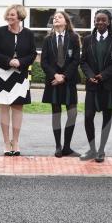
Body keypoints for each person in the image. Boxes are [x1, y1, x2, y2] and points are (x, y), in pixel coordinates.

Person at [0, 4, 36, 156]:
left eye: (13, 15)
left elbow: (33, 54)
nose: (9, 17)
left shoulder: (28, 33)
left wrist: (20, 62)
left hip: (20, 76)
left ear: (20, 17)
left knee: (17, 108)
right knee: (3, 108)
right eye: (8, 14)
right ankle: (5, 142)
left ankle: (15, 141)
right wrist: (9, 61)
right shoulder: (0, 31)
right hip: (2, 74)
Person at [80, 9, 112, 162]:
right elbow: (83, 61)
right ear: (94, 21)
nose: (100, 22)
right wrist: (90, 75)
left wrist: (103, 75)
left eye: (103, 20)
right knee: (88, 117)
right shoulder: (87, 40)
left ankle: (101, 150)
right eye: (97, 19)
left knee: (107, 118)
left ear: (109, 22)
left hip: (108, 86)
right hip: (92, 86)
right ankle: (92, 149)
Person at [40, 11, 81, 158]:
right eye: (55, 17)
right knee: (56, 114)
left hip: (68, 81)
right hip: (53, 82)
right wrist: (55, 75)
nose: (56, 18)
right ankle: (58, 146)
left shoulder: (74, 38)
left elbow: (76, 60)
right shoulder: (48, 39)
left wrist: (64, 76)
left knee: (72, 113)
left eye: (60, 17)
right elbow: (43, 61)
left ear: (66, 21)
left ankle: (67, 147)